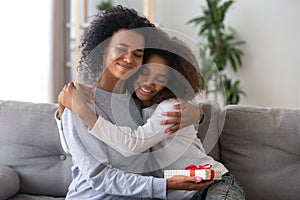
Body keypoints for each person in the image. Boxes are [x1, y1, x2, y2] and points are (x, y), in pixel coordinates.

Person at [59, 36, 246, 200]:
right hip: (180, 192)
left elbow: (132, 143)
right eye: (144, 72)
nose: (149, 82)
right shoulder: (131, 104)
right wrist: (63, 109)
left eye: (161, 78)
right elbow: (74, 146)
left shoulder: (171, 108)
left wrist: (84, 113)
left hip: (213, 182)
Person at [56, 5, 211, 200]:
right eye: (121, 49)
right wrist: (165, 185)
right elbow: (99, 176)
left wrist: (199, 114)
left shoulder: (139, 100)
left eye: (138, 54)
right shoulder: (79, 101)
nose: (129, 58)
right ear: (103, 50)